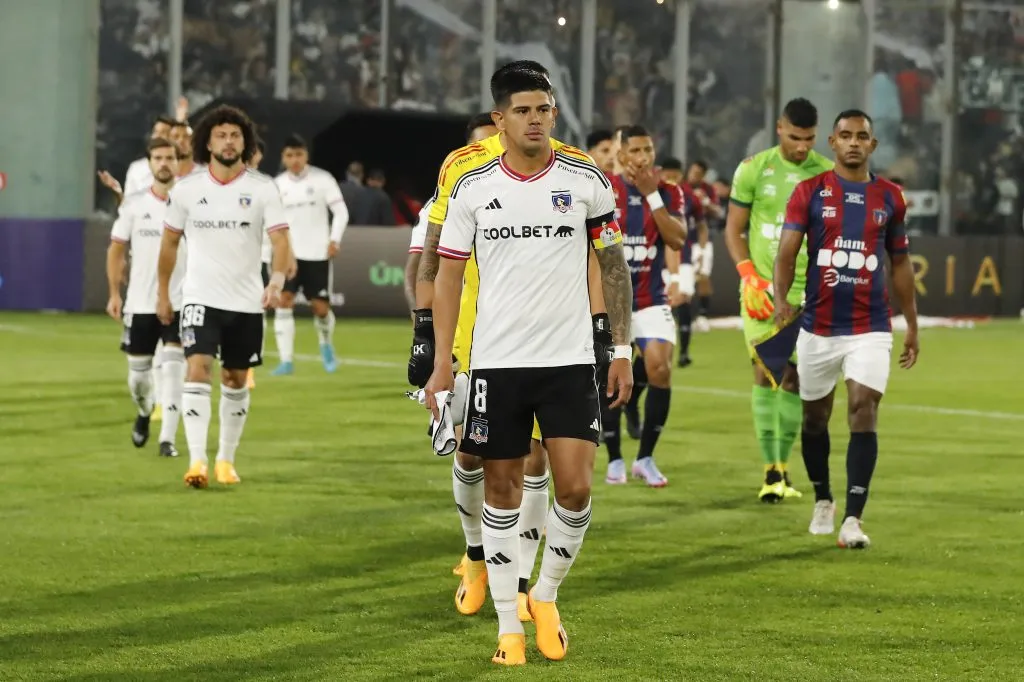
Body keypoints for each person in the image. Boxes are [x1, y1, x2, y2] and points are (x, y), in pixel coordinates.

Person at [421, 65, 633, 666]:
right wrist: (441, 364)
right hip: (495, 365)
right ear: (499, 119)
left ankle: (545, 595)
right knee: (503, 489)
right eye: (523, 110)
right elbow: (447, 276)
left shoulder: (587, 180)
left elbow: (613, 267)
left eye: (544, 109)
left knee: (576, 487)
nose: (536, 119)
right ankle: (508, 630)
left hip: (568, 362)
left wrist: (620, 348)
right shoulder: (471, 187)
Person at [773, 109, 919, 549]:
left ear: (872, 145)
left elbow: (900, 263)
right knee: (815, 420)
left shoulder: (891, 197)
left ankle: (853, 518)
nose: (854, 142)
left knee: (863, 408)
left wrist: (911, 323)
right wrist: (781, 301)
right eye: (845, 136)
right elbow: (786, 253)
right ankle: (823, 497)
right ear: (832, 144)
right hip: (818, 328)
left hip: (870, 327)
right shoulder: (809, 192)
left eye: (862, 136)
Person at [157, 105, 291, 489]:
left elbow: (281, 240)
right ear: (207, 142)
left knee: (235, 378)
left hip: (247, 302)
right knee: (197, 368)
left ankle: (225, 460)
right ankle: (197, 460)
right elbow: (168, 245)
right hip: (199, 298)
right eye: (221, 135)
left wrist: (276, 280)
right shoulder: (186, 190)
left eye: (235, 135)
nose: (228, 141)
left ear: (244, 142)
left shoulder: (263, 188)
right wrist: (164, 294)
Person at [724, 98, 834, 503]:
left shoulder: (827, 174)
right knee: (764, 370)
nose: (802, 147)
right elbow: (734, 230)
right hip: (762, 293)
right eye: (794, 137)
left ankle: (783, 469)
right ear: (779, 129)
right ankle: (771, 470)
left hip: (811, 294)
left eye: (808, 139)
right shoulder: (754, 168)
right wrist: (748, 274)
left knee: (795, 378)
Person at [602, 127, 685, 487]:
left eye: (648, 149)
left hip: (650, 299)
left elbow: (677, 238)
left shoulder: (668, 191)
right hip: (608, 301)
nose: (644, 157)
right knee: (606, 381)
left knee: (660, 368)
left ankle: (646, 457)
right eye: (635, 150)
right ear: (621, 154)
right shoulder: (603, 187)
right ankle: (615, 458)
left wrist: (653, 197)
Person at [105, 137, 186, 458]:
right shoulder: (134, 205)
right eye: (158, 158)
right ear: (149, 164)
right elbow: (116, 250)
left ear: (179, 162)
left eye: (170, 157)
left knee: (174, 367)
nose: (164, 163)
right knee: (139, 377)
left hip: (182, 300)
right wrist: (114, 293)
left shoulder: (192, 204)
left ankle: (168, 439)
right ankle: (144, 411)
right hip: (140, 302)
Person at [270, 134, 350, 376]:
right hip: (287, 254)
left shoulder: (323, 180)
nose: (295, 160)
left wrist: (334, 239)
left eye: (299, 154)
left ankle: (326, 345)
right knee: (284, 302)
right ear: (283, 158)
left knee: (320, 308)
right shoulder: (276, 185)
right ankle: (286, 361)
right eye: (290, 155)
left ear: (306, 155)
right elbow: (272, 223)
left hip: (317, 252)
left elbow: (341, 212)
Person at [685, 159, 722, 332]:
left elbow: (718, 212)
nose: (694, 176)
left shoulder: (708, 189)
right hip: (683, 239)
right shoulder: (681, 187)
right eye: (692, 172)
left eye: (698, 174)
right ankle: (684, 315)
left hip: (702, 239)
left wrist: (706, 201)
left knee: (703, 275)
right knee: (683, 277)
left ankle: (702, 315)